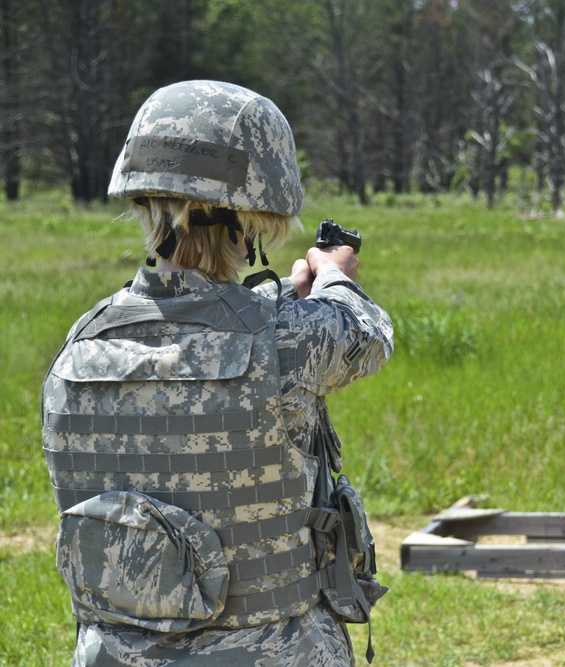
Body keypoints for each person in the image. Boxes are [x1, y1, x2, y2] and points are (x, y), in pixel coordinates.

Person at [40, 80, 393, 666]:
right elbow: (368, 332)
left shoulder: (79, 346)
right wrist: (333, 277)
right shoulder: (287, 339)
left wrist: (280, 302)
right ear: (248, 220)